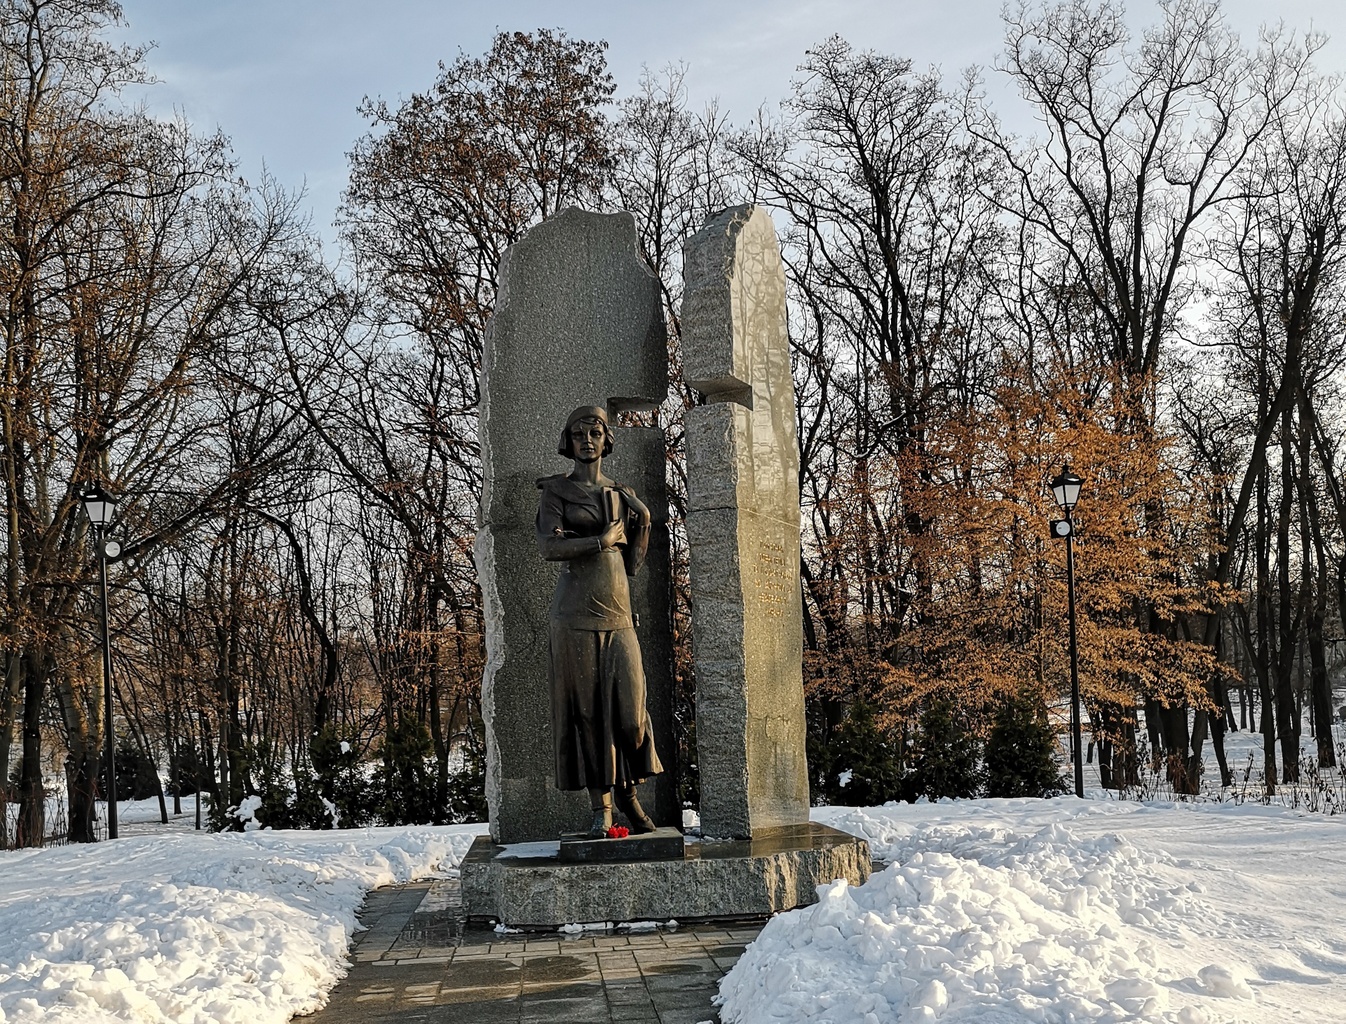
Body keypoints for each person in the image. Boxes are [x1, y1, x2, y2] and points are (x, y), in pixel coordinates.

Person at [536, 405, 663, 837]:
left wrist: (641, 523)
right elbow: (548, 548)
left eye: (595, 431)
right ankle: (605, 807)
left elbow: (632, 566)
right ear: (567, 441)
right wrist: (600, 539)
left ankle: (628, 794)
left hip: (619, 613)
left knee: (630, 714)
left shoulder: (619, 493)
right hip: (573, 615)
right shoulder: (556, 491)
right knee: (589, 715)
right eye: (578, 433)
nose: (587, 439)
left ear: (607, 439)